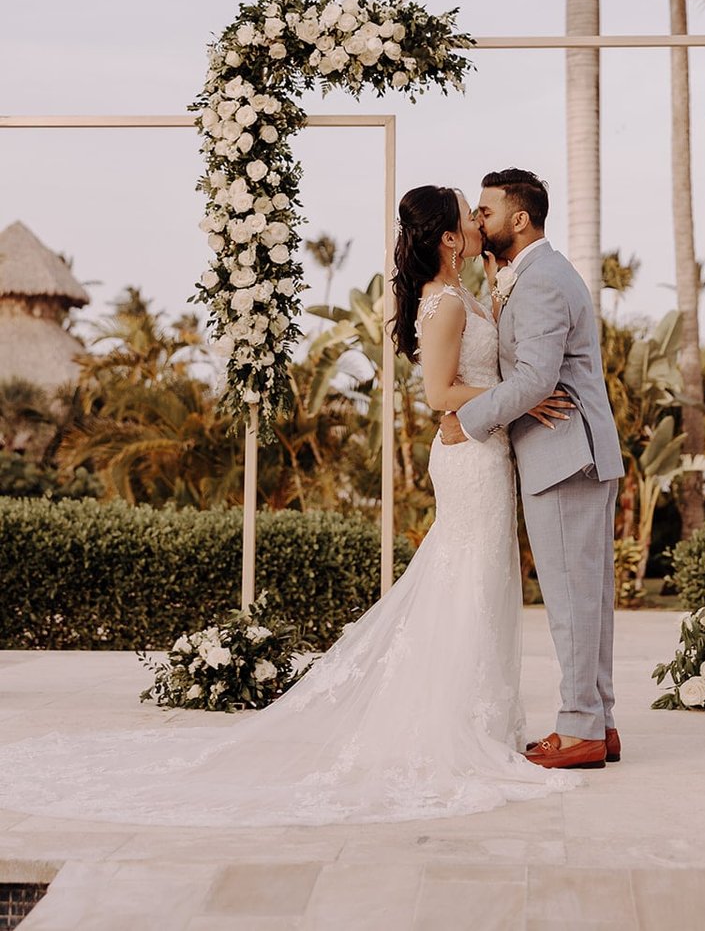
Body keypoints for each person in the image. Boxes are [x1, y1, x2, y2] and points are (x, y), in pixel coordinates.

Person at [0, 186, 577, 826]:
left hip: (484, 451)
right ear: (447, 237)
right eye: (468, 216)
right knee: (466, 582)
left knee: (481, 583)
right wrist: (519, 397)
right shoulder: (441, 304)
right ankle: (454, 727)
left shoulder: (467, 291)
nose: (476, 222)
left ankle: (483, 719)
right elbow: (439, 390)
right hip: (468, 455)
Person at [441, 169, 625, 770]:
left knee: (572, 600)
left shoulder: (542, 279)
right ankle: (599, 720)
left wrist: (467, 420)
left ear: (519, 219)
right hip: (574, 450)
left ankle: (579, 730)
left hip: (564, 453)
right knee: (587, 599)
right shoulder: (534, 274)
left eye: (487, 212)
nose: (479, 222)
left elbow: (536, 379)